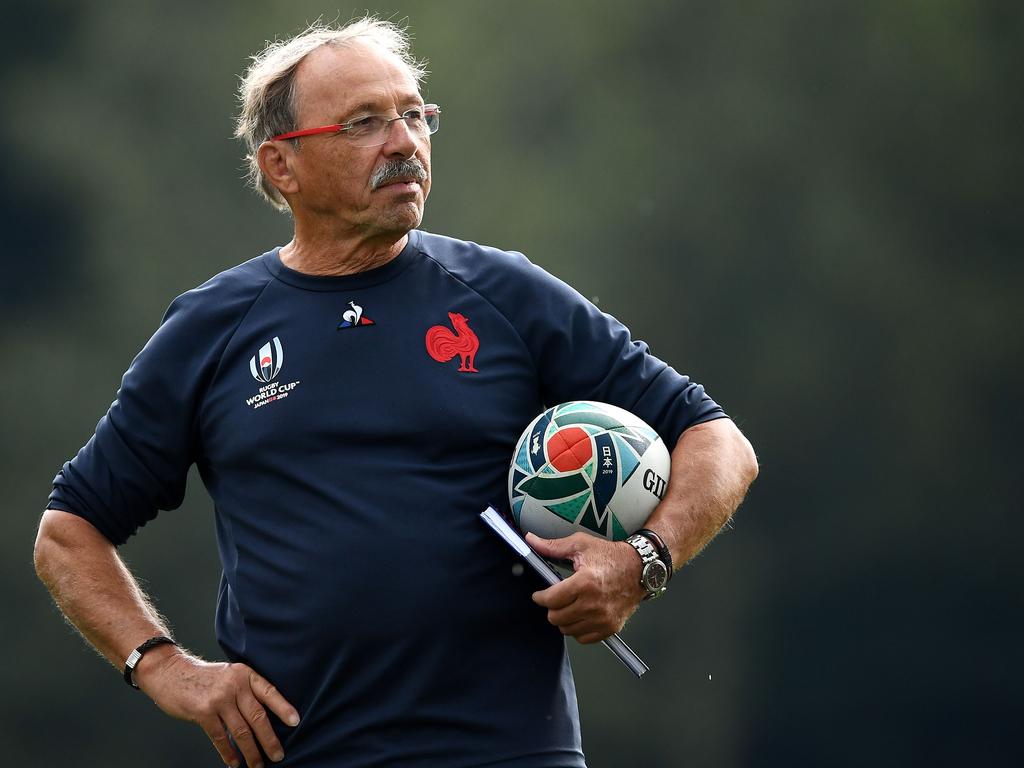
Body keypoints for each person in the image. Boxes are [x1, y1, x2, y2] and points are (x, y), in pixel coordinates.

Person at [33, 17, 757, 768]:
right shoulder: (212, 328)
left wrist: (643, 558)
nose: (405, 141)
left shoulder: (503, 292)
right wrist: (162, 666)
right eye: (364, 123)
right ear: (282, 166)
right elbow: (68, 532)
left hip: (510, 754)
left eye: (415, 115)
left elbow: (718, 441)